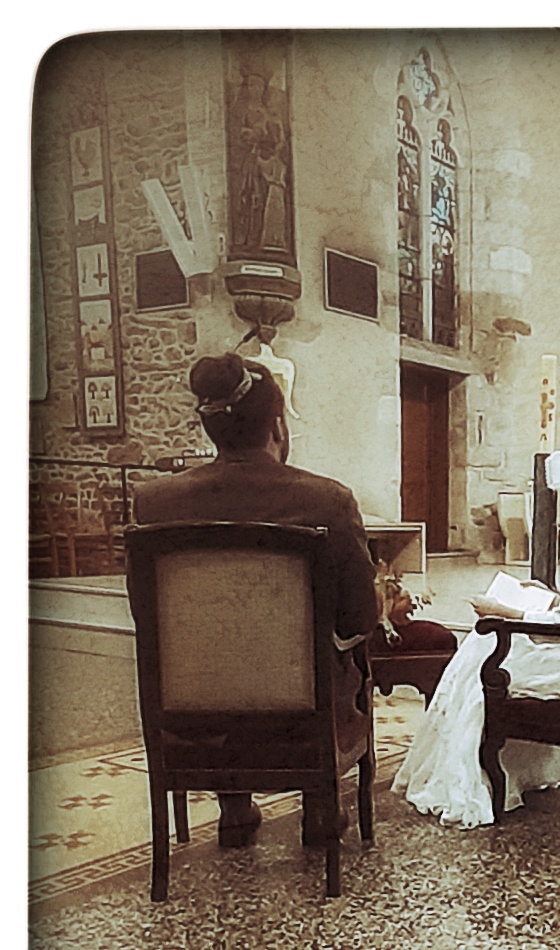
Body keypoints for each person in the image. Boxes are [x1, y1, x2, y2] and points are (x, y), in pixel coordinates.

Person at [131, 353, 379, 846]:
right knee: (332, 663)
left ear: (210, 429)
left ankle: (234, 807)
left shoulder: (154, 503)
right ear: (277, 426)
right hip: (302, 723)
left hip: (193, 723)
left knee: (216, 650)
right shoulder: (327, 500)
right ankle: (320, 807)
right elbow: (359, 617)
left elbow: (145, 614)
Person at [393, 426, 560, 831]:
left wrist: (505, 612)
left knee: (484, 643)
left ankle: (479, 781)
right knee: (500, 641)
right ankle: (521, 773)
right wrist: (547, 597)